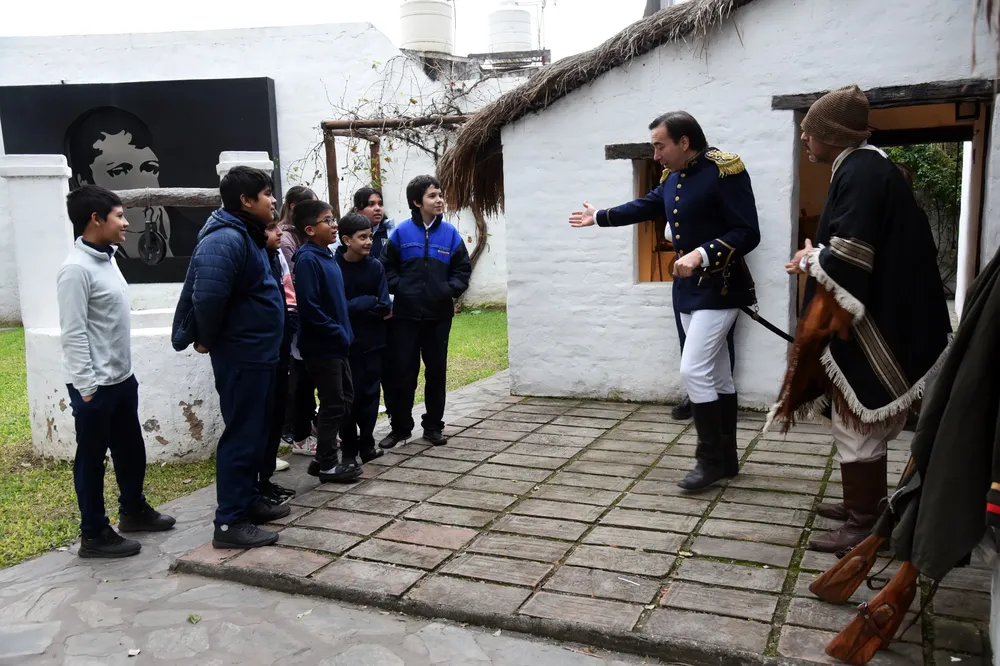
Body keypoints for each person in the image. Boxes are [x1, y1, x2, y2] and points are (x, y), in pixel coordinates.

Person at [774, 85, 951, 553]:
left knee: (859, 420)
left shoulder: (861, 172)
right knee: (859, 420)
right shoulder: (865, 167)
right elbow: (858, 243)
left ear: (831, 135)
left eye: (809, 132)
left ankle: (863, 522)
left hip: (881, 321)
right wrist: (819, 255)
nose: (804, 140)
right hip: (893, 312)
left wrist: (811, 261)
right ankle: (866, 503)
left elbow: (852, 253)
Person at [569, 111, 760, 492]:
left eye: (660, 145)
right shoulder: (673, 177)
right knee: (717, 373)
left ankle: (707, 462)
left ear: (684, 142)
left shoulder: (726, 171)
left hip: (720, 287)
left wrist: (701, 254)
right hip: (687, 290)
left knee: (693, 371)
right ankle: (726, 460)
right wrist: (601, 216)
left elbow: (747, 231)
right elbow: (647, 205)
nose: (655, 154)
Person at [171, 166, 287, 549]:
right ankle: (230, 523)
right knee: (242, 435)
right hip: (242, 354)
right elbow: (208, 296)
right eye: (267, 193)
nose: (273, 200)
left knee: (256, 433)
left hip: (259, 353)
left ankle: (248, 500)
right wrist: (206, 338)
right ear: (246, 200)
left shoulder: (248, 236)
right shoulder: (225, 240)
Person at [58, 185, 176, 558]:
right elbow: (73, 332)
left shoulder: (108, 259)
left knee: (130, 450)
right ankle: (93, 533)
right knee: (92, 460)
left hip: (122, 378)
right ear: (96, 219)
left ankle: (133, 510)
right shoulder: (75, 270)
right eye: (119, 216)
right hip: (95, 386)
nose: (126, 223)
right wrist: (88, 389)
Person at [378, 175, 472, 448]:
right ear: (417, 202)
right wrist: (403, 288)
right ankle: (400, 428)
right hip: (405, 316)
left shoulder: (451, 235)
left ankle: (433, 426)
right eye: (432, 196)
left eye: (440, 195)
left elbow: (462, 270)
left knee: (436, 373)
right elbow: (386, 268)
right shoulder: (401, 233)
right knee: (403, 373)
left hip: (438, 317)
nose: (439, 200)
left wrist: (447, 290)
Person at [291, 200, 358, 482]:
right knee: (332, 403)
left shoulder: (326, 256)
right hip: (322, 346)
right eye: (327, 221)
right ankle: (329, 464)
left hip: (337, 344)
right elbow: (309, 307)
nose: (334, 225)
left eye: (334, 219)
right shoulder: (307, 260)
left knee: (344, 399)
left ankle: (321, 459)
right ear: (309, 229)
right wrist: (336, 330)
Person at [336, 213, 392, 461]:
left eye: (370, 236)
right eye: (362, 237)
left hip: (373, 343)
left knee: (370, 395)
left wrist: (356, 306)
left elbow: (383, 305)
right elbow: (338, 308)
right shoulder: (334, 267)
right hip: (346, 345)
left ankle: (367, 444)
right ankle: (349, 448)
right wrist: (364, 303)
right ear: (347, 240)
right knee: (348, 398)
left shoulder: (375, 266)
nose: (369, 241)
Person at [276, 186, 319, 455]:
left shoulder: (305, 236)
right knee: (298, 378)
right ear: (294, 207)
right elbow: (293, 278)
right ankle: (295, 429)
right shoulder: (286, 238)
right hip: (296, 316)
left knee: (308, 376)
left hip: (308, 315)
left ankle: (308, 424)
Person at [258, 218, 298, 496]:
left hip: (279, 344)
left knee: (274, 414)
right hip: (258, 352)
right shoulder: (249, 255)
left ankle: (264, 481)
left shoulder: (272, 257)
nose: (279, 232)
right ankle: (252, 491)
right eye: (272, 229)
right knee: (257, 422)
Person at [352, 186, 396, 260]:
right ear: (357, 210)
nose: (378, 208)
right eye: (371, 204)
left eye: (380, 204)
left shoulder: (392, 232)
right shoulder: (347, 234)